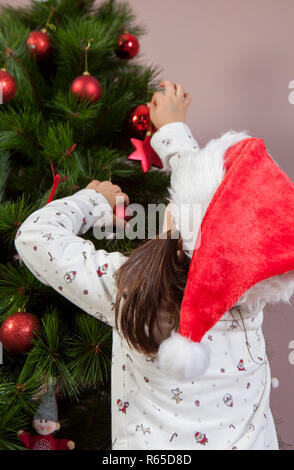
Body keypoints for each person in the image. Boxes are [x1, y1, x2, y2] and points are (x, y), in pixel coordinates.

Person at [14, 80, 294, 450]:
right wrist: (174, 131)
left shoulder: (129, 291)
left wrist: (93, 201)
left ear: (173, 219)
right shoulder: (247, 308)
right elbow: (219, 217)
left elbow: (34, 237)